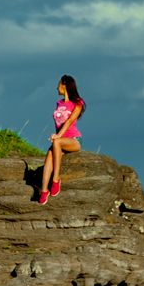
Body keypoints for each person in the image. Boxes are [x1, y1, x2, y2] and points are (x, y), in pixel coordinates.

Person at [38, 74, 86, 205]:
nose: (56, 87)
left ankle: (56, 179)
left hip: (73, 139)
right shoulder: (59, 103)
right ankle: (43, 191)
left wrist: (58, 136)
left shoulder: (78, 102)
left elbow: (70, 121)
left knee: (56, 142)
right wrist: (58, 136)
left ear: (64, 85)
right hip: (59, 140)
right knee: (49, 155)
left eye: (58, 84)